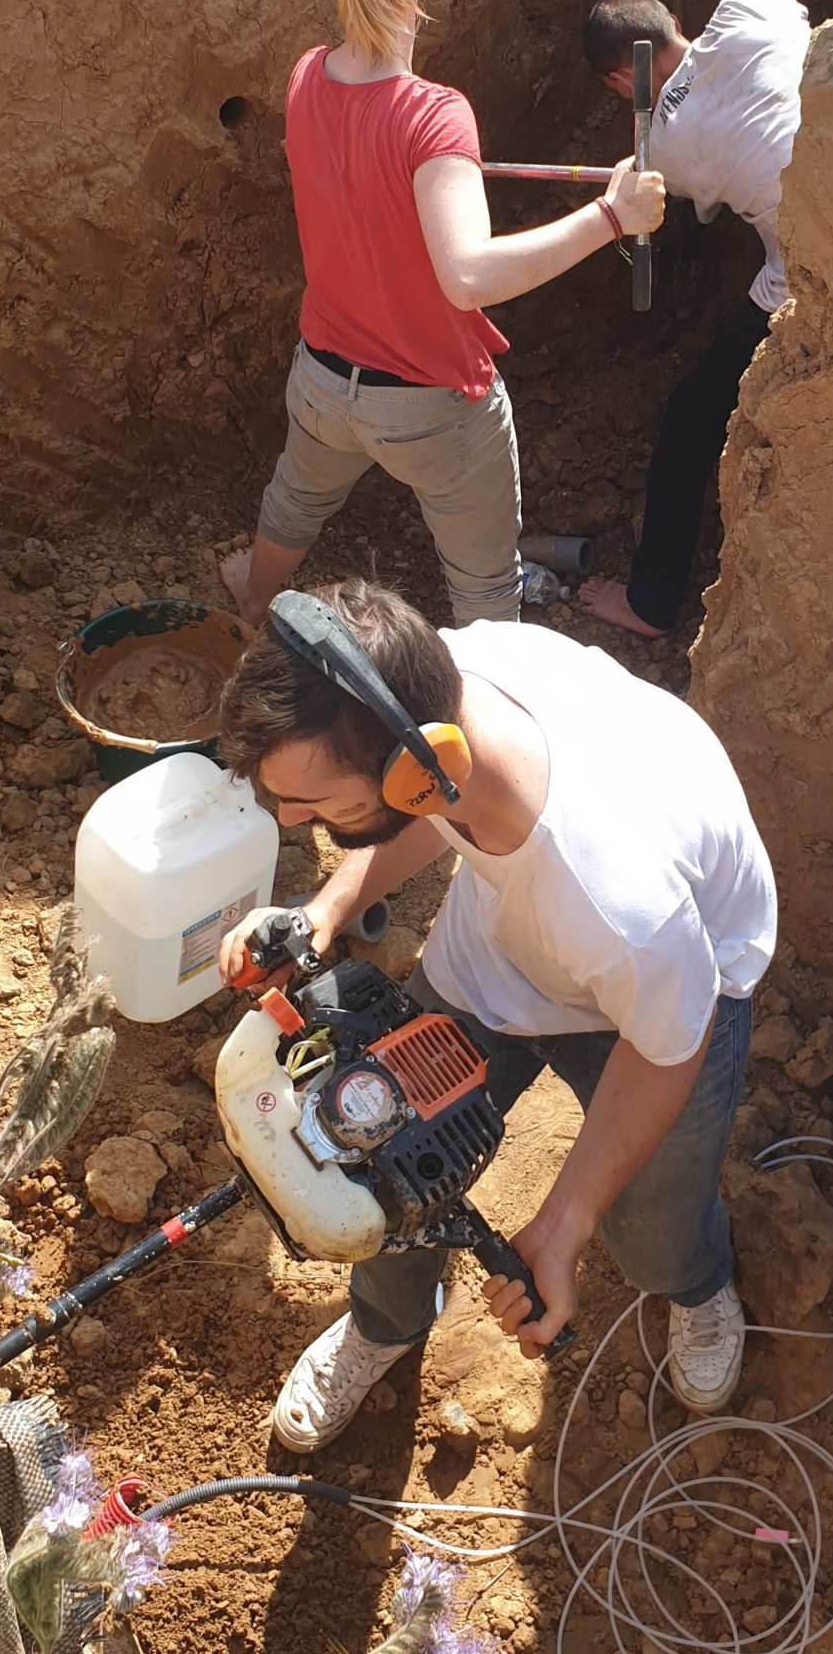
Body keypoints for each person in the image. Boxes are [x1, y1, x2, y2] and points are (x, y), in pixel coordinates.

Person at [214, 579, 777, 1454]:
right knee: (377, 1151)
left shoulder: (615, 898)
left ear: (414, 768)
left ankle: (694, 1281)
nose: (291, 821)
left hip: (673, 998)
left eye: (315, 803)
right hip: (510, 950)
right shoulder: (435, 687)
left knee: (648, 1229)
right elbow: (428, 817)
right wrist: (325, 913)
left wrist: (560, 1226)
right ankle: (387, 1324)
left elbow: (668, 1048)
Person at [219, 0, 665, 631]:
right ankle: (487, 723)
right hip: (430, 405)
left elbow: (363, 190)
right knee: (487, 588)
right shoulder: (434, 117)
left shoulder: (303, 79)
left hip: (323, 381)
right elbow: (466, 276)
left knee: (298, 494)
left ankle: (253, 594)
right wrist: (612, 218)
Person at [576, 0, 833, 641]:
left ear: (621, 82)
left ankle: (652, 604)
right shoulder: (751, 4)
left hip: (811, 281)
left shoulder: (661, 148)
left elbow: (642, 215)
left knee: (692, 419)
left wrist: (638, 149)